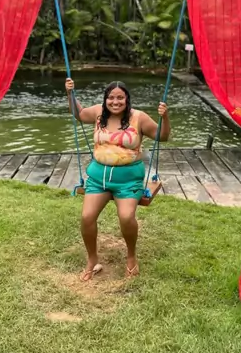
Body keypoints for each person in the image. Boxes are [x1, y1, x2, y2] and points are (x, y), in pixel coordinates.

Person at [65, 78, 170, 281]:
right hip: (98, 179)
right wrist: (70, 94)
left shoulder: (139, 117)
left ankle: (131, 256)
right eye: (111, 98)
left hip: (128, 180)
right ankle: (92, 259)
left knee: (126, 217)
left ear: (127, 99)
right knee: (87, 217)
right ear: (105, 100)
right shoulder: (98, 113)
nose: (115, 102)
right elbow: (79, 114)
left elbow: (162, 137)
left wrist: (165, 117)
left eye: (120, 98)